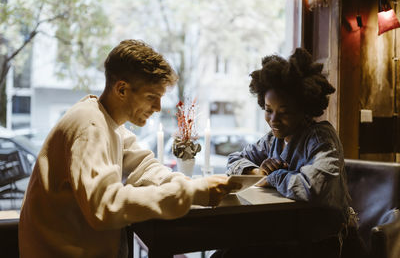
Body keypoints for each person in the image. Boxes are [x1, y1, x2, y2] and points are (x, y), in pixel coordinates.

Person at [19, 39, 239, 258]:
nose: (158, 107)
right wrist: (191, 193)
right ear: (122, 89)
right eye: (152, 97)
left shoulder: (109, 123)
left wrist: (193, 186)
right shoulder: (89, 126)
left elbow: (144, 167)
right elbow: (106, 206)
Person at [213, 48, 365, 258]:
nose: (274, 119)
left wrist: (272, 177)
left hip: (327, 244)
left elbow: (313, 188)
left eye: (284, 112)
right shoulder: (272, 139)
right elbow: (234, 160)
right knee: (226, 252)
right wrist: (257, 172)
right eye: (268, 110)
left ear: (304, 109)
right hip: (289, 236)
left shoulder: (321, 138)